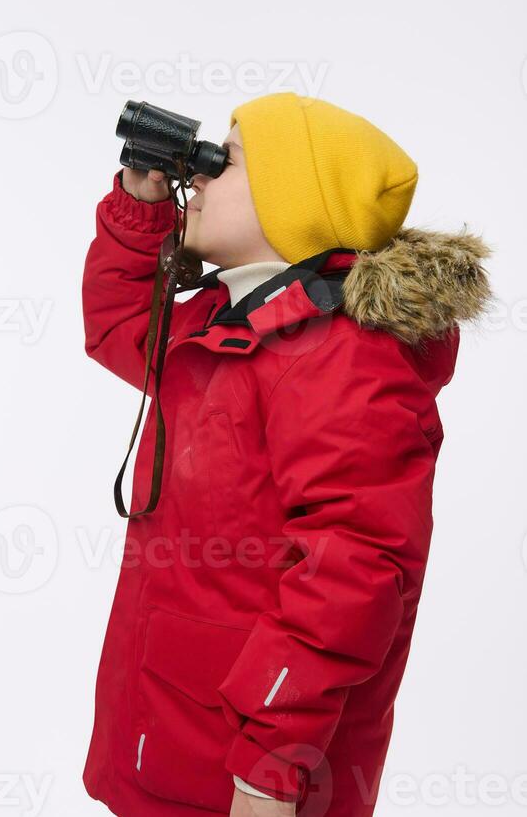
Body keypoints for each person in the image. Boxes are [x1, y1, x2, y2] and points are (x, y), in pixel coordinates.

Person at [81, 91, 492, 816]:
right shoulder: (228, 319)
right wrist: (142, 207)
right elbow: (121, 330)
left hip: (245, 766)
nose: (198, 176)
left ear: (292, 202)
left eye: (226, 162)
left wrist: (270, 768)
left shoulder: (343, 358)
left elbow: (354, 573)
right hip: (171, 726)